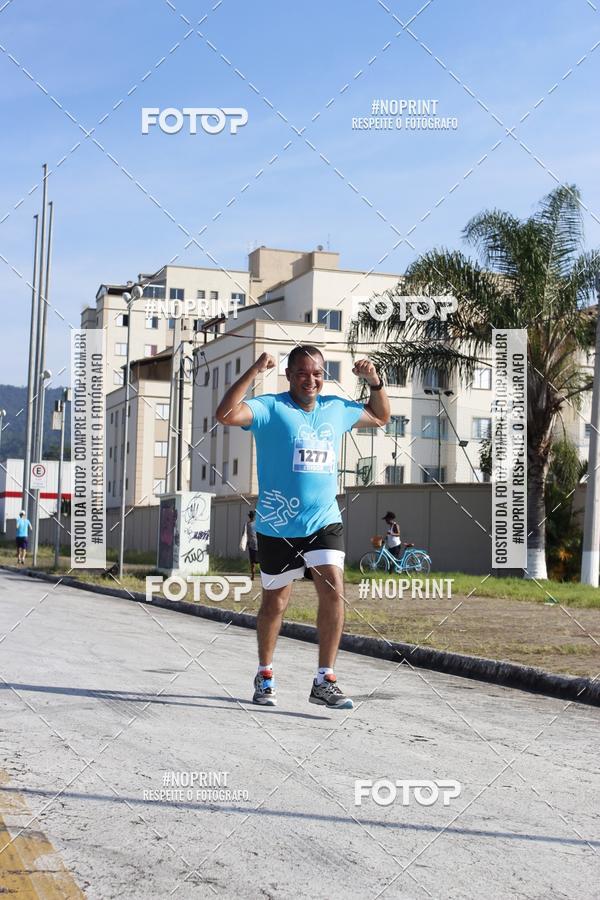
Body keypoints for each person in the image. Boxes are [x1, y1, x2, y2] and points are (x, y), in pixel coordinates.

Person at [216, 345, 390, 709]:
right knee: (275, 603)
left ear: (323, 376)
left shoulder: (336, 409)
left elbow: (380, 416)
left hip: (323, 520)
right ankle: (265, 673)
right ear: (289, 375)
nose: (310, 380)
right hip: (277, 525)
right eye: (301, 373)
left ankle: (324, 679)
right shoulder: (270, 408)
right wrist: (253, 371)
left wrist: (374, 382)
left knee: (333, 589)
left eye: (317, 373)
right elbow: (226, 414)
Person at [246, 510, 258, 579]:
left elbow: (244, 534)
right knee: (261, 561)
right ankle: (263, 576)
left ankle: (253, 576)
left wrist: (247, 542)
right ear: (255, 517)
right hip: (258, 545)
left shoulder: (247, 524)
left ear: (249, 516)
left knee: (252, 562)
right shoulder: (258, 524)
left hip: (251, 545)